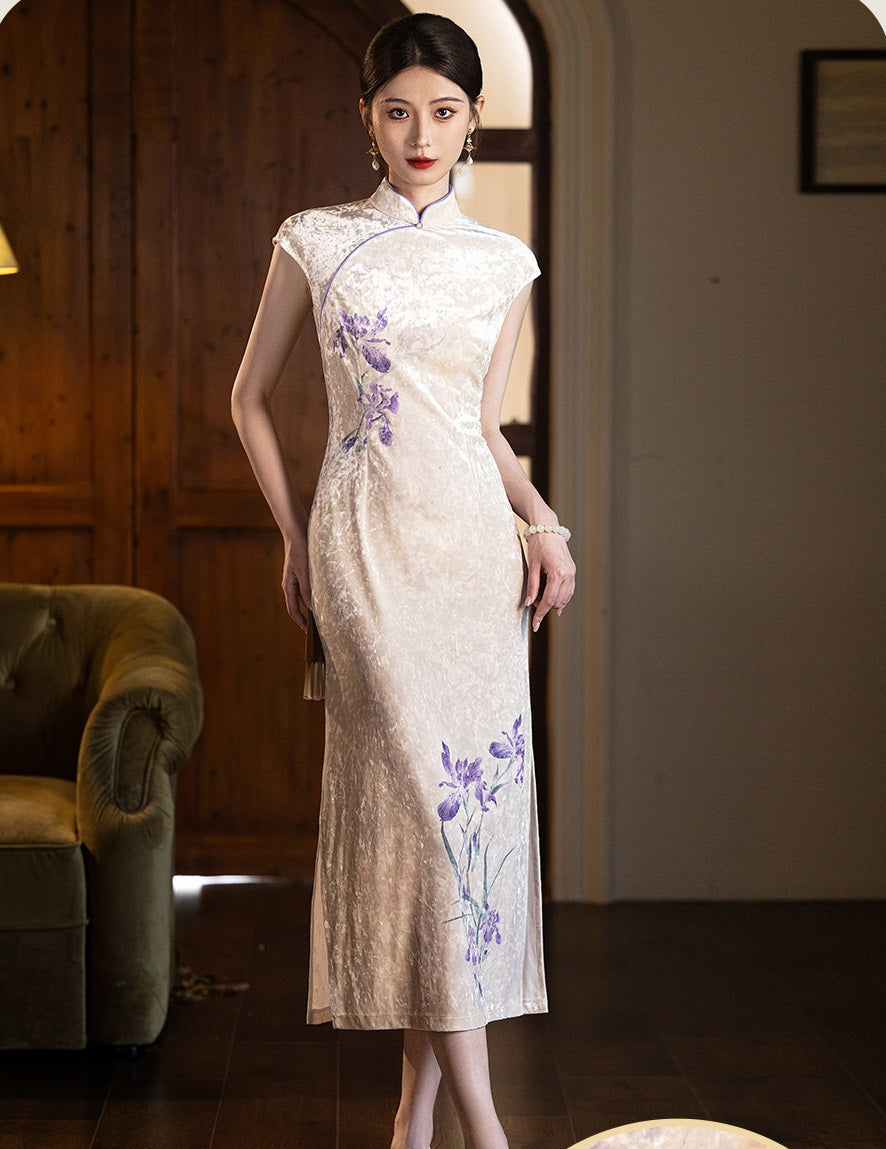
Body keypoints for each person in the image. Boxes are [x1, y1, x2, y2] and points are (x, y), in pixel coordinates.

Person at [231, 13, 575, 1149]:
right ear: (367, 122)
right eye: (396, 110)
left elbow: (481, 425)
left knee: (459, 828)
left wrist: (544, 522)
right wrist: (294, 539)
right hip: (365, 547)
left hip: (473, 562)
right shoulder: (318, 240)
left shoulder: (502, 262)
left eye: (441, 111)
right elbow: (247, 399)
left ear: (472, 120)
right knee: (426, 829)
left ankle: (411, 1116)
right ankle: (487, 1126)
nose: (419, 133)